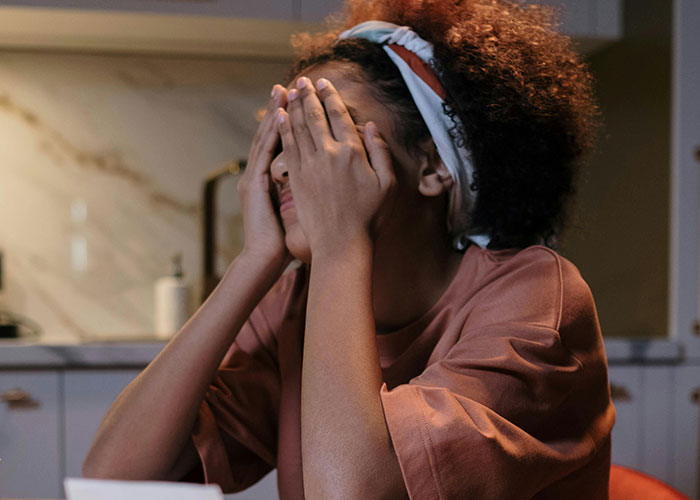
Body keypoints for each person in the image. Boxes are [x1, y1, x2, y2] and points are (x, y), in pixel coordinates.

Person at [83, 0, 615, 498]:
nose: (284, 167)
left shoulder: (535, 294)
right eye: (285, 138)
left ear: (432, 167)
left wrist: (340, 246)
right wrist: (254, 263)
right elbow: (116, 478)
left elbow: (352, 490)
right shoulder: (294, 303)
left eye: (326, 132)